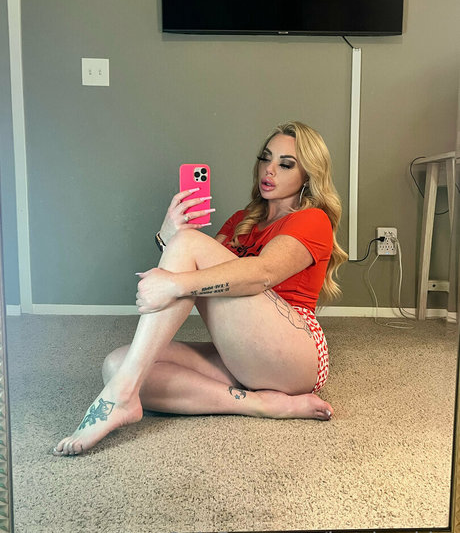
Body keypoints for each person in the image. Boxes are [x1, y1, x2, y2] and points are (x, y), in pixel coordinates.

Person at [53, 121, 347, 456]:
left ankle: (120, 396)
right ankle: (262, 404)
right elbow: (192, 269)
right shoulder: (241, 220)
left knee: (189, 242)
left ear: (308, 175)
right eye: (265, 158)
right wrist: (166, 236)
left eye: (286, 164)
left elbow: (261, 273)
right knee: (117, 365)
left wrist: (176, 278)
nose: (269, 170)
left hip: (296, 353)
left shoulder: (313, 219)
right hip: (243, 354)